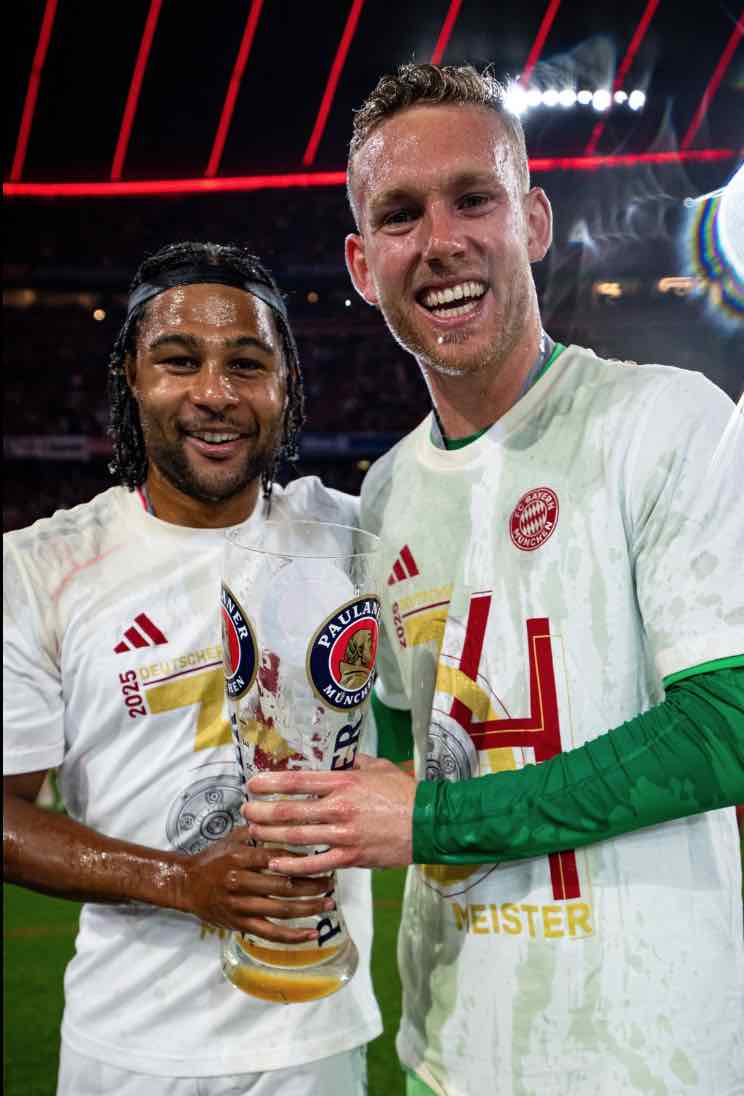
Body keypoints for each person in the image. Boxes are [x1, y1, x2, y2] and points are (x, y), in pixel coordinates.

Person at [240, 64, 744, 1095]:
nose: (441, 242)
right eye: (400, 215)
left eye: (474, 198)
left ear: (535, 220)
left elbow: (725, 727)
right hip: (450, 1055)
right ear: (363, 263)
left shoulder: (669, 420)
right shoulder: (385, 495)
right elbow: (397, 754)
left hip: (653, 1060)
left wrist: (433, 822)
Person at [3, 241, 381, 1095]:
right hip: (128, 1048)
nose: (215, 392)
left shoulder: (353, 534)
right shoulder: (39, 568)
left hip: (311, 1040)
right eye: (179, 361)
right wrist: (181, 883)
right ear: (132, 379)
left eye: (247, 364)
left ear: (287, 386)